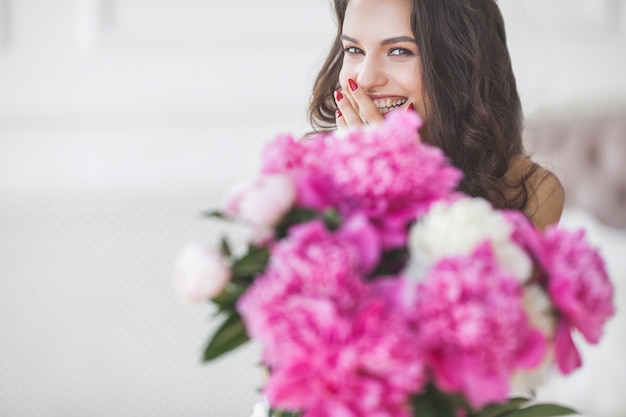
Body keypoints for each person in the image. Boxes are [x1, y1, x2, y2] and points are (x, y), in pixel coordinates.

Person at [308, 0, 564, 230]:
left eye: (399, 51)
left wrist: (409, 179)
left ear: (460, 65)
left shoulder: (532, 190)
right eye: (354, 50)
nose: (365, 78)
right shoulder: (309, 172)